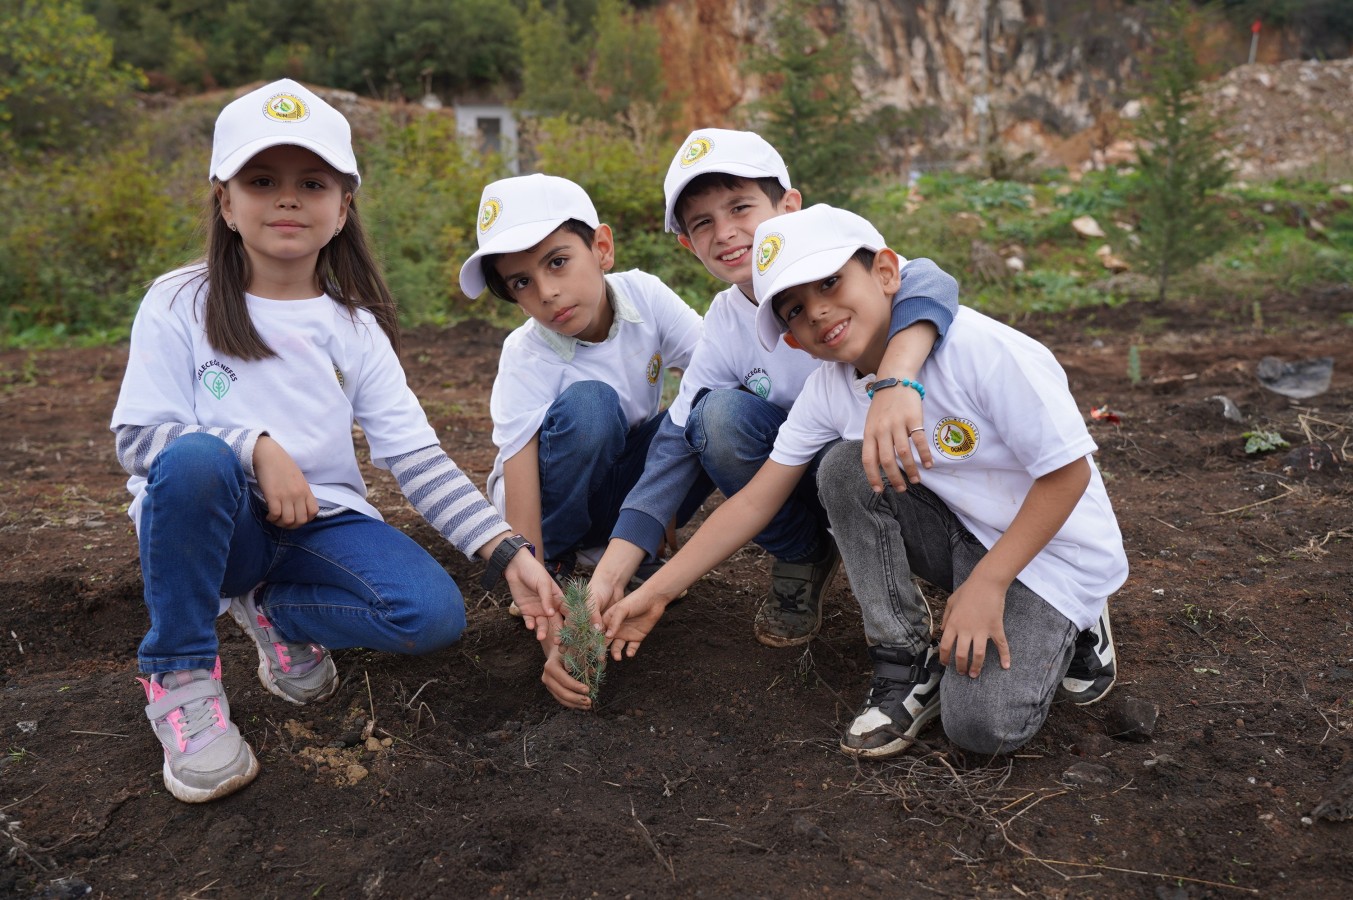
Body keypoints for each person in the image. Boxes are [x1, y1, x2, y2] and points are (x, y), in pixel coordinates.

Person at [110, 80, 561, 803]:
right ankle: (181, 674)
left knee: (429, 615)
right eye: (262, 181)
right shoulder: (179, 300)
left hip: (319, 522)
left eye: (311, 182)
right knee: (196, 458)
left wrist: (506, 550)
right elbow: (137, 440)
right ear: (226, 202)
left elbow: (416, 458)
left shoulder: (354, 328)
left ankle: (273, 614)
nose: (287, 198)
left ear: (342, 205)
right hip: (213, 529)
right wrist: (253, 445)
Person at [602, 204, 1127, 758]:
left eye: (830, 282)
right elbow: (755, 502)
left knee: (982, 728)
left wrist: (989, 584)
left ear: (884, 273)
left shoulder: (982, 351)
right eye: (795, 310)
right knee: (843, 468)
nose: (819, 312)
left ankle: (1081, 618)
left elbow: (1067, 476)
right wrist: (655, 592)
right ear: (793, 341)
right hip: (964, 538)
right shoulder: (830, 388)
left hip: (1052, 551)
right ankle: (904, 660)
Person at [569, 131, 956, 705]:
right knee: (715, 419)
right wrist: (614, 571)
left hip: (911, 475)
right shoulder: (727, 320)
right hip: (805, 479)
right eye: (701, 223)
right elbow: (675, 444)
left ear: (789, 207)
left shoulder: (846, 273)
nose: (724, 232)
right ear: (686, 246)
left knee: (847, 465)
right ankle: (803, 555)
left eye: (741, 207)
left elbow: (926, 277)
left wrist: (897, 378)